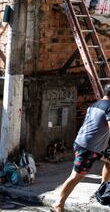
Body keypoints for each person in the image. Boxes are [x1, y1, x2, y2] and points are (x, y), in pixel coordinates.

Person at [52, 84, 110, 212]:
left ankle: (102, 189)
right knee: (76, 176)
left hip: (91, 144)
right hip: (88, 147)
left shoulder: (94, 105)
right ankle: (58, 203)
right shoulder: (109, 107)